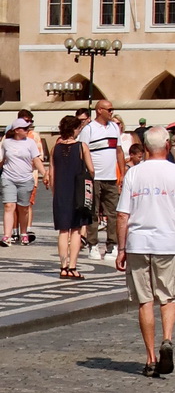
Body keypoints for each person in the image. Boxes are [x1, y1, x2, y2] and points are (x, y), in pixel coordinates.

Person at [115, 125, 175, 377]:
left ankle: (150, 358)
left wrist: (121, 248)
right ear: (168, 146)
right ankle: (167, 339)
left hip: (138, 243)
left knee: (145, 300)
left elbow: (122, 214)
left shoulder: (134, 173)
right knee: (169, 297)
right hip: (168, 243)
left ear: (146, 148)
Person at [78, 97, 124, 260]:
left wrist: (122, 173)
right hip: (93, 177)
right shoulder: (89, 129)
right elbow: (82, 152)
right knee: (93, 212)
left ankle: (112, 245)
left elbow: (118, 151)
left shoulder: (114, 128)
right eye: (109, 109)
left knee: (113, 213)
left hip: (111, 177)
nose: (112, 112)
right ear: (100, 110)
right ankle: (93, 245)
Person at [0, 119, 46, 247]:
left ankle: (24, 232)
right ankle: (7, 236)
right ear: (16, 130)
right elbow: (1, 159)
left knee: (24, 208)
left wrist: (45, 174)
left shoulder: (30, 143)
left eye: (28, 128)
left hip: (25, 179)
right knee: (9, 206)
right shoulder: (6, 143)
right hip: (8, 178)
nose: (27, 130)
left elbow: (36, 159)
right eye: (25, 128)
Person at [51, 114, 86, 277]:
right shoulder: (81, 147)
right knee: (76, 230)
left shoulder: (55, 148)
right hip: (77, 192)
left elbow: (52, 174)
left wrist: (55, 191)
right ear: (74, 129)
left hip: (60, 192)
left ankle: (63, 267)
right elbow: (91, 169)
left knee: (63, 231)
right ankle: (73, 267)